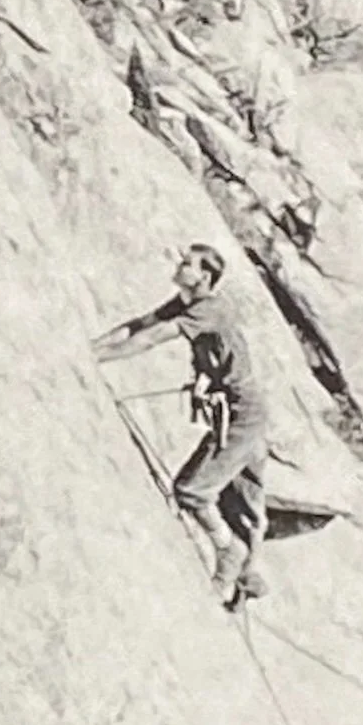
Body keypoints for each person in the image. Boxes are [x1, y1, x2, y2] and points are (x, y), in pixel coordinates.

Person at [93, 244, 270, 603]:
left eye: (187, 264)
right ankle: (246, 575)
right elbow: (140, 326)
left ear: (204, 276)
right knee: (243, 500)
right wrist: (93, 347)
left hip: (242, 414)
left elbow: (156, 338)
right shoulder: (187, 303)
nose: (179, 266)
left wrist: (97, 359)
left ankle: (230, 554)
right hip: (237, 411)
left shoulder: (210, 310)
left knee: (194, 491)